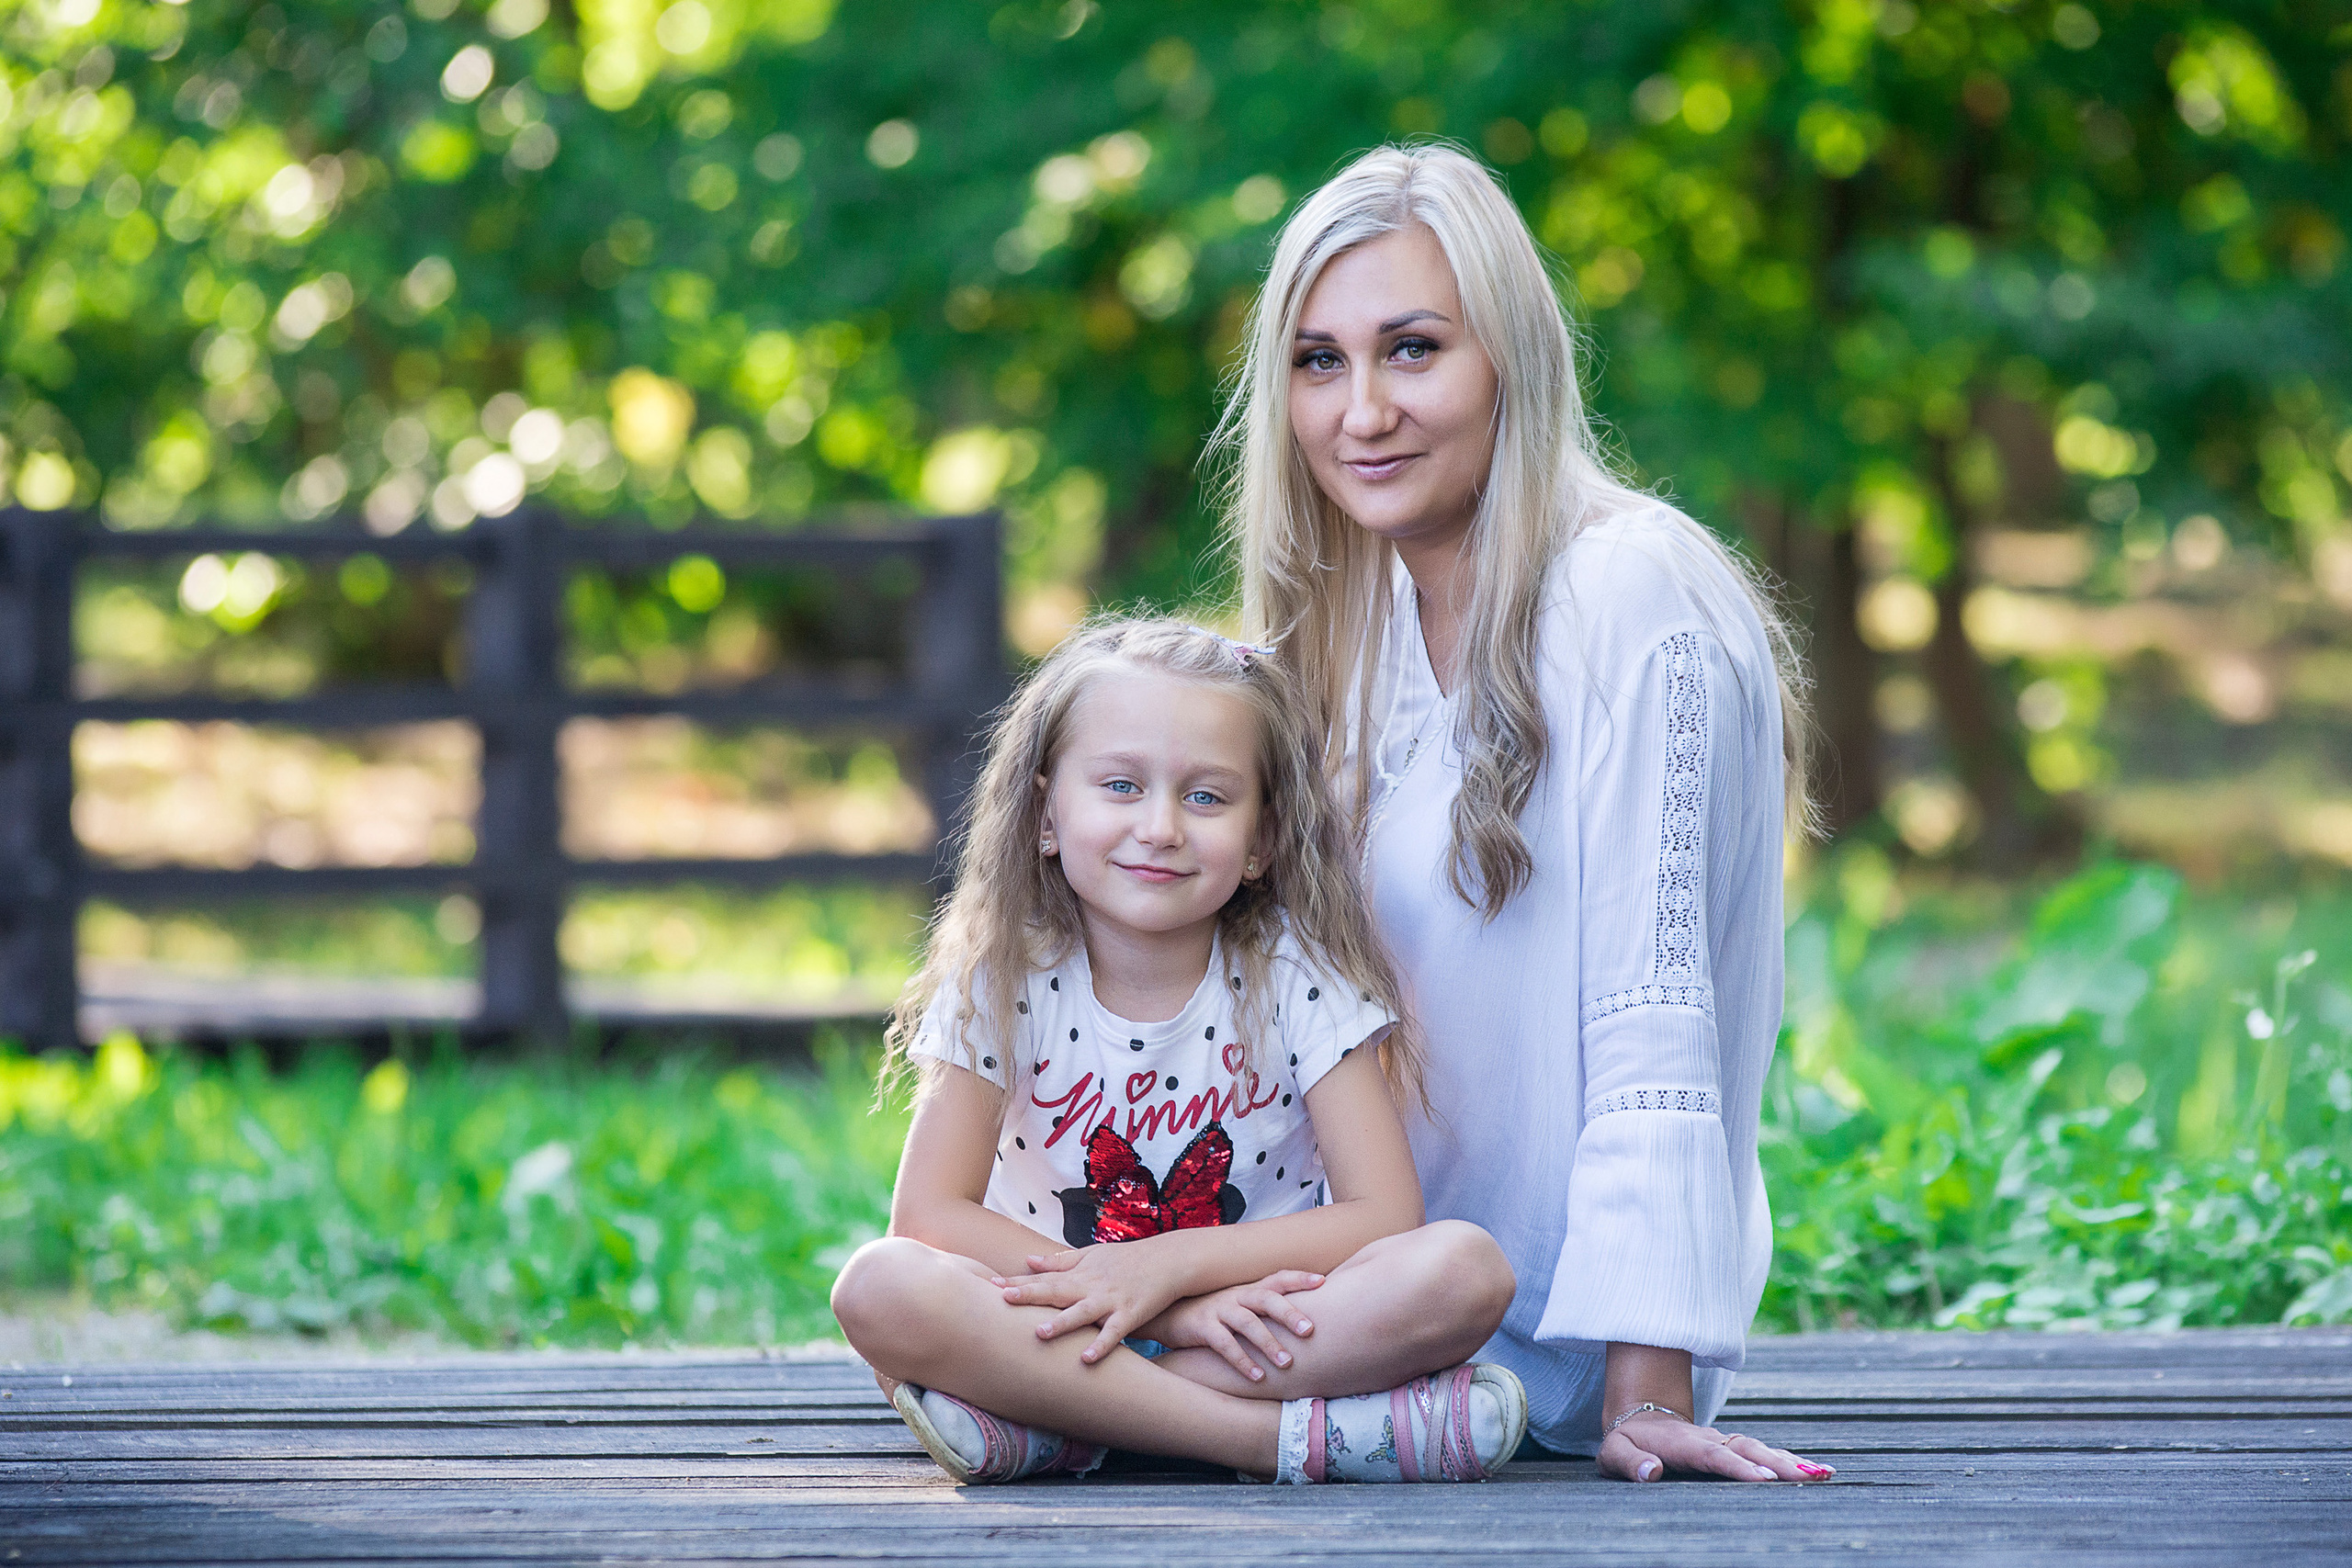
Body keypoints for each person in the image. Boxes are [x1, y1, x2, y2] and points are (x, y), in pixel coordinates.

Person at [1220, 143, 1836, 1485]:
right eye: (1318, 362)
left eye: (1413, 349)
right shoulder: (1358, 628)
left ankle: (1094, 1400)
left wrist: (1644, 1386)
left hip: (1533, 1338)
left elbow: (1657, 1002)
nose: (1361, 410)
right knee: (926, 1283)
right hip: (1344, 1290)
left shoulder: (1633, 591)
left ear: (1512, 358)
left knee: (1015, 1339)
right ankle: (1117, 1381)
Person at [831, 616, 1526, 1485]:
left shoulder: (1299, 979)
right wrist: (1157, 1307)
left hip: (1250, 1322)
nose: (1160, 827)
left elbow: (1384, 1215)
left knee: (1464, 1271)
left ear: (1262, 839)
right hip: (1056, 1316)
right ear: (1047, 813)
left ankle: (1055, 1422)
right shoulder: (1001, 976)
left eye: (1206, 797)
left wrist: (1170, 1273)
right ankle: (1276, 1440)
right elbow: (930, 1216)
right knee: (880, 1285)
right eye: (1121, 785)